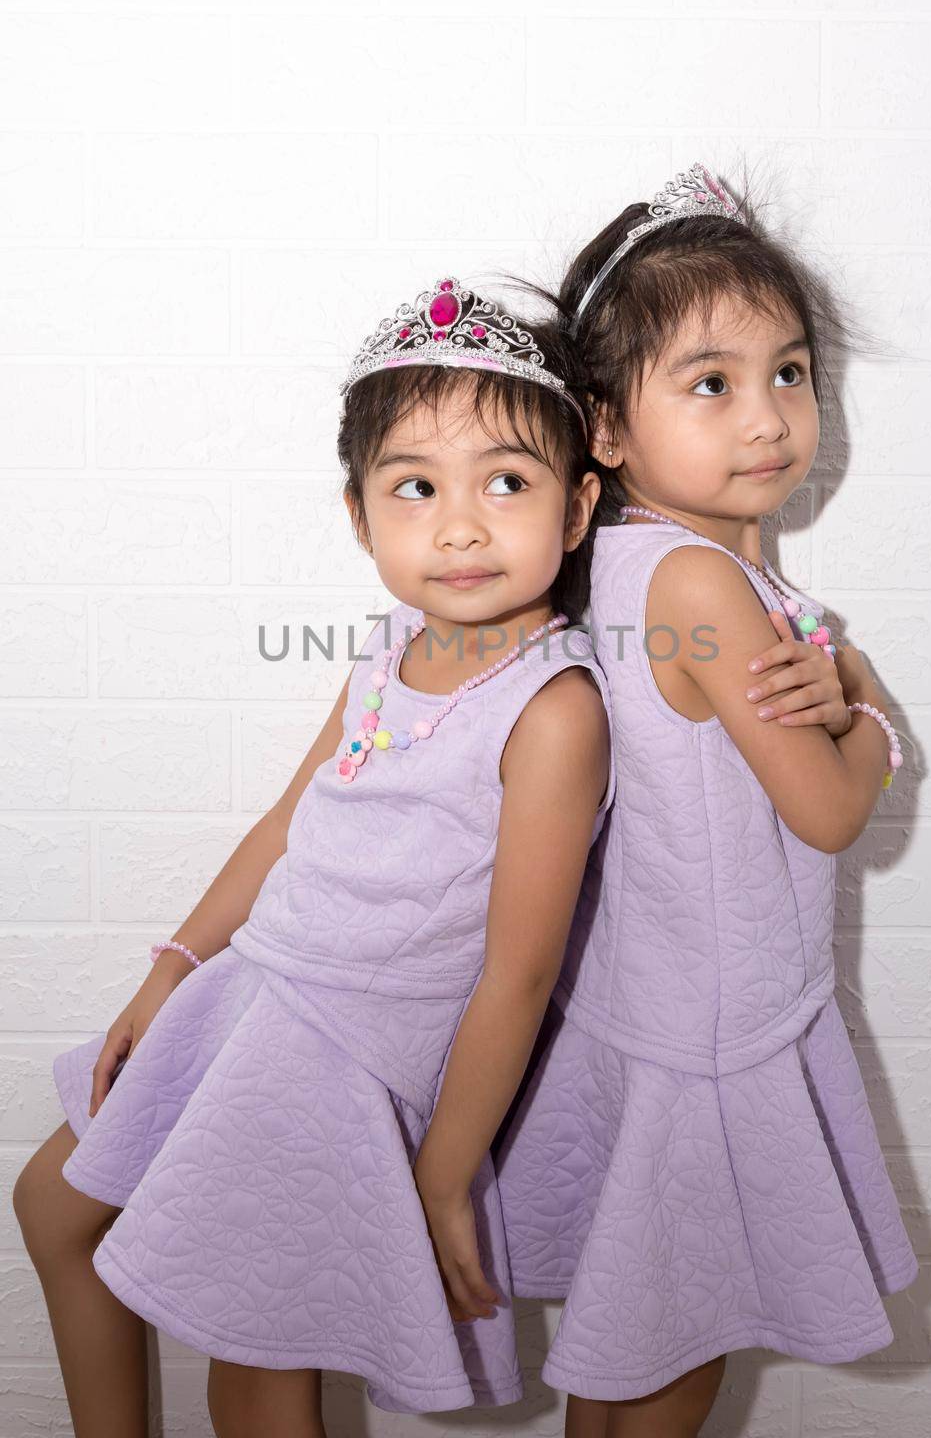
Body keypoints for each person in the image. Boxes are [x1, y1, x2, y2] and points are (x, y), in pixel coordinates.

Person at [13, 277, 615, 1438]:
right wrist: (175, 964)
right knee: (55, 1202)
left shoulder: (552, 708)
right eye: (415, 487)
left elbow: (520, 974)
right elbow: (288, 824)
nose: (460, 524)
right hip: (258, 996)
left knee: (254, 1367)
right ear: (359, 516)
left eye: (508, 482)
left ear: (577, 508)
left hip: (347, 1051)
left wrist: (446, 1172)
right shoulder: (389, 649)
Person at [494, 165, 918, 1438]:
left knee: (639, 1350)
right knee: (671, 1361)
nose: (769, 417)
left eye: (790, 372)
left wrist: (837, 681)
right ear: (607, 430)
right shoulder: (702, 587)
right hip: (717, 1036)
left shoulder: (631, 562)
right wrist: (873, 709)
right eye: (712, 382)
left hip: (659, 1004)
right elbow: (832, 811)